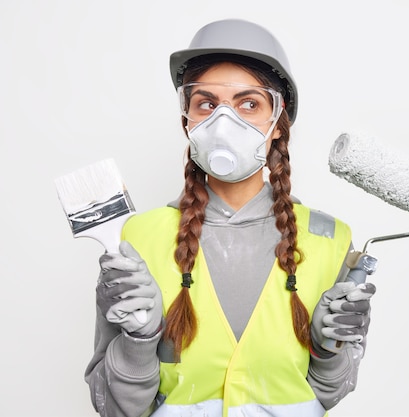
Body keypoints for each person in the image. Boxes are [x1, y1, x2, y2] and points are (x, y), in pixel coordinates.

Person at [84, 18, 377, 417]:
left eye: (249, 103)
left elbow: (329, 392)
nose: (225, 122)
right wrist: (139, 341)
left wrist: (327, 351)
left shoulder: (331, 240)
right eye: (206, 103)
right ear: (187, 118)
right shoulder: (137, 238)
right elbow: (114, 408)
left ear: (277, 123)